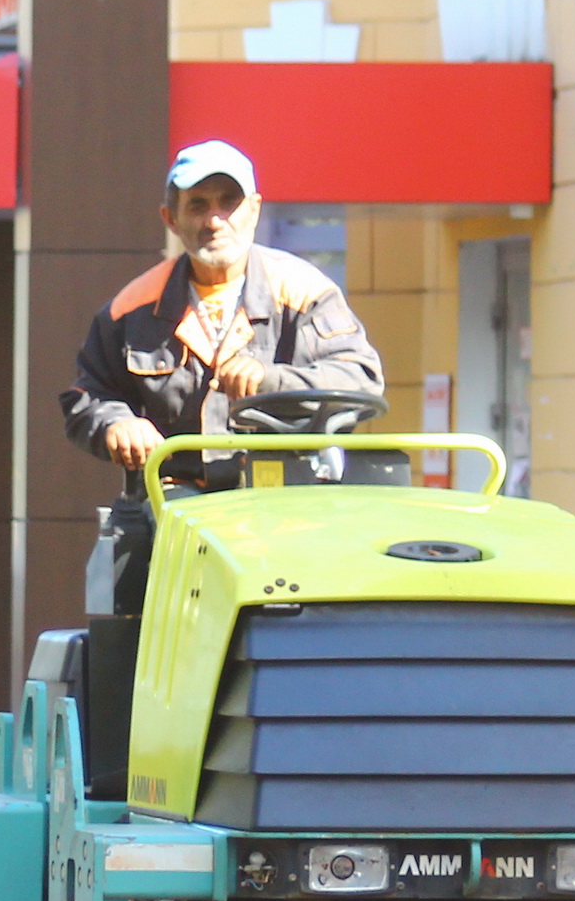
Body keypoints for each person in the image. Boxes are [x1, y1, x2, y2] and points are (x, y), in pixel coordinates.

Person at [57, 140, 383, 616]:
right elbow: (87, 393)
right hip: (178, 504)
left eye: (228, 203)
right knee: (172, 557)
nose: (214, 220)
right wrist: (114, 423)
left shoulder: (304, 292)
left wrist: (272, 381)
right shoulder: (132, 308)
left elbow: (361, 379)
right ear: (171, 219)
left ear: (253, 210)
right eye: (197, 205)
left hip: (293, 498)